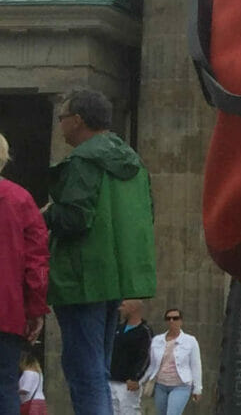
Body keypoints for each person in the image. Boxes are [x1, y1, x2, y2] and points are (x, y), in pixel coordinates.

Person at [45, 90, 157, 415]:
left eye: (62, 117)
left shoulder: (82, 160)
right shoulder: (132, 161)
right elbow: (146, 214)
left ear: (77, 120)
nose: (61, 124)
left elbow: (76, 217)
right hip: (115, 278)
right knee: (99, 367)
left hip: (82, 278)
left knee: (83, 368)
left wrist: (47, 214)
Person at [1, 133, 49, 415]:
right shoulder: (20, 199)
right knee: (5, 386)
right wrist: (35, 310)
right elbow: (36, 262)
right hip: (6, 311)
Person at [139, 308, 201, 415]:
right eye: (168, 318)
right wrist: (140, 381)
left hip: (181, 385)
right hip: (161, 385)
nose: (172, 321)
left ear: (181, 321)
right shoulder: (157, 340)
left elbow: (196, 365)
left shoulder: (190, 341)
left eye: (175, 318)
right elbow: (152, 365)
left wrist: (197, 389)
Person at [107, 300, 152, 415]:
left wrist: (136, 378)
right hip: (112, 380)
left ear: (133, 308)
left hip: (128, 383)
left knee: (129, 411)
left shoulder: (144, 331)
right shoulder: (118, 329)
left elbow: (146, 357)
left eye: (123, 306)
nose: (120, 309)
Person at [18, 351, 46, 415]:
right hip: (41, 402)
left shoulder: (28, 373)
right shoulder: (39, 374)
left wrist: (13, 392)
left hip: (30, 403)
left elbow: (25, 390)